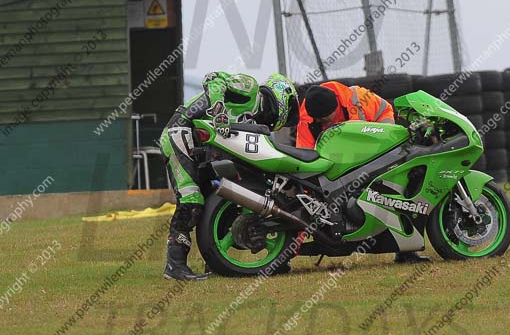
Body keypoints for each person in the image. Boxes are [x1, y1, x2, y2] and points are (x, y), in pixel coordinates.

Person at [159, 72, 299, 281]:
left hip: (201, 145)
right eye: (290, 111)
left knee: (218, 202)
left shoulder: (254, 121)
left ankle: (216, 262)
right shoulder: (250, 88)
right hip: (180, 131)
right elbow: (214, 79)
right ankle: (175, 265)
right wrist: (219, 110)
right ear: (282, 95)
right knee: (191, 200)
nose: (286, 120)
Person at [297, 81, 426, 264]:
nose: (321, 124)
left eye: (325, 119)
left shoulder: (358, 99)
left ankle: (405, 251)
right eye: (318, 121)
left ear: (337, 108)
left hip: (378, 149)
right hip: (339, 161)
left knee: (399, 187)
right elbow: (307, 158)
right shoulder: (308, 118)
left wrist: (388, 149)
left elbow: (385, 110)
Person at [295, 81, 394, 149]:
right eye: (315, 118)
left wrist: (386, 138)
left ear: (335, 108)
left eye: (322, 118)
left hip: (373, 140)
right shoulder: (306, 121)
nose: (317, 121)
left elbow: (385, 110)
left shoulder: (360, 97)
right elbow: (306, 155)